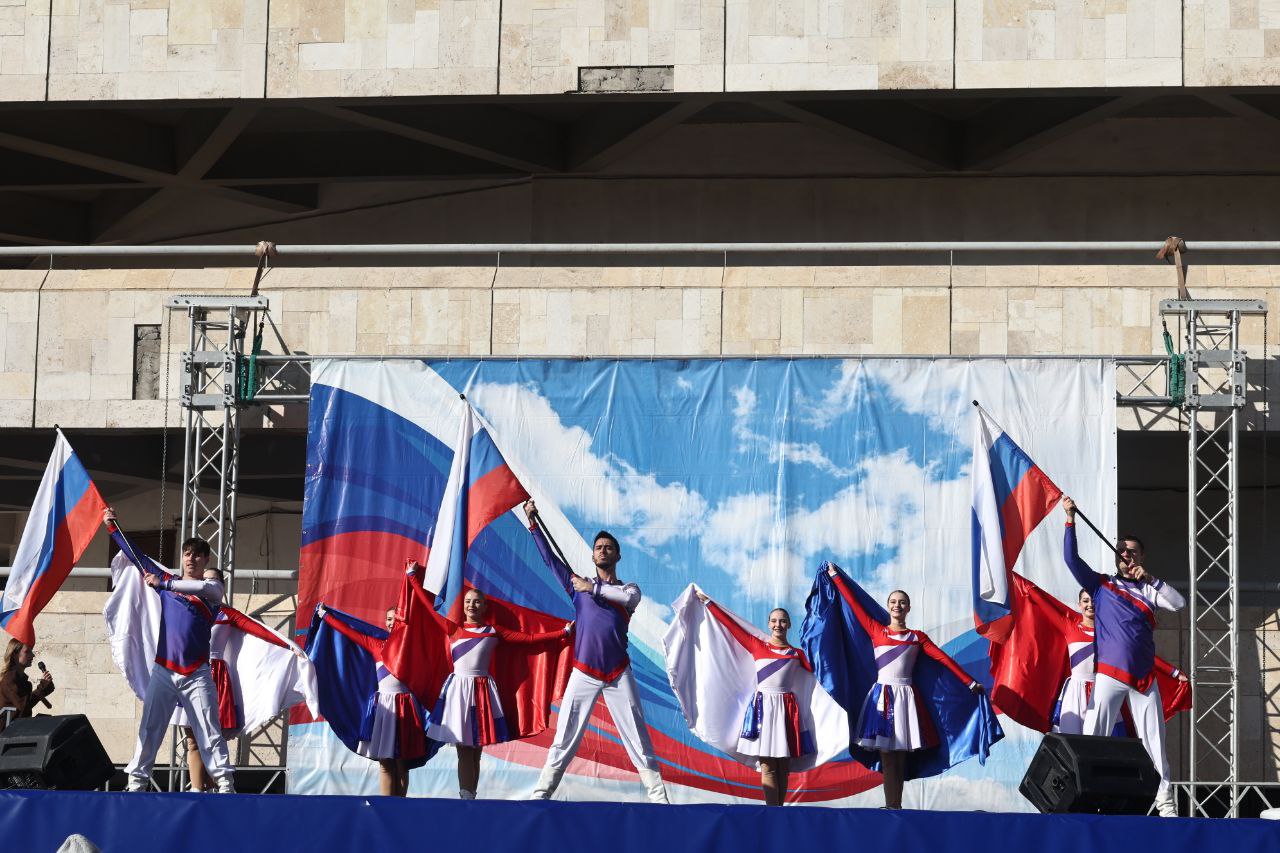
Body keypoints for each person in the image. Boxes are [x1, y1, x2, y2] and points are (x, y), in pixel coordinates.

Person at [522, 499, 669, 803]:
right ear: (592, 555)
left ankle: (659, 800)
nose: (603, 550)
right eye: (598, 547)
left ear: (617, 555)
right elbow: (551, 561)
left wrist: (593, 589)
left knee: (638, 738)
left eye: (608, 547)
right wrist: (534, 524)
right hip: (584, 671)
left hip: (618, 672)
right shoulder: (579, 585)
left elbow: (621, 597)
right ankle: (540, 795)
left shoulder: (629, 590)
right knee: (564, 736)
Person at [1061, 496, 1186, 817]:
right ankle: (1084, 800)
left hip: (1144, 680)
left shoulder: (1149, 590)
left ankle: (1166, 804)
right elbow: (1071, 559)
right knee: (1093, 740)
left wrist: (1150, 578)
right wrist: (1070, 519)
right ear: (1116, 556)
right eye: (1122, 550)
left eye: (1132, 550)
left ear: (1141, 556)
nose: (1126, 554)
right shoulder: (1101, 584)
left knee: (1155, 743)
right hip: (1109, 676)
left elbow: (1178, 603)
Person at [404, 565, 572, 799]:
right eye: (468, 601)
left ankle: (471, 794)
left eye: (477, 602)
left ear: (484, 607)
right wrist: (413, 580)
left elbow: (529, 639)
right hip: (458, 692)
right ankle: (465, 795)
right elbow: (428, 607)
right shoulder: (453, 628)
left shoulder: (494, 631)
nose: (472, 605)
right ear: (462, 606)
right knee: (464, 749)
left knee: (477, 750)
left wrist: (561, 633)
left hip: (482, 692)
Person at [826, 565, 984, 810]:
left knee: (899, 757)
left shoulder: (917, 637)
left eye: (902, 602)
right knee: (888, 757)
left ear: (908, 608)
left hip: (905, 700)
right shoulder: (876, 629)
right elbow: (854, 605)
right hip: (881, 699)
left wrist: (970, 682)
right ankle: (892, 806)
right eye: (893, 602)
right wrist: (836, 577)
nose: (897, 605)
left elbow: (944, 659)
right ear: (888, 606)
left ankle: (894, 806)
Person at [103, 508, 235, 794]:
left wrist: (164, 583)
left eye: (198, 554)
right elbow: (136, 554)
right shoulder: (167, 580)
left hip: (197, 674)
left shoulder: (210, 588)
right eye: (188, 553)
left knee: (209, 731)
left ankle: (225, 784)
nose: (192, 558)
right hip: (164, 669)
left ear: (206, 560)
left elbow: (207, 590)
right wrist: (114, 527)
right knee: (150, 728)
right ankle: (136, 782)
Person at [694, 591, 813, 805]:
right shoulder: (757, 645)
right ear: (768, 624)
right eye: (774, 621)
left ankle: (780, 809)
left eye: (783, 621)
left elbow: (821, 672)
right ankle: (772, 811)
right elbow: (732, 627)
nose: (778, 625)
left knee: (783, 766)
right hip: (763, 710)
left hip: (786, 710)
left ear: (789, 625)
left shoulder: (797, 654)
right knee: (767, 764)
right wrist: (710, 604)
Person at [181, 606, 305, 792]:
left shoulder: (225, 612)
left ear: (220, 587)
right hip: (188, 673)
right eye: (204, 581)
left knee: (214, 738)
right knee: (192, 740)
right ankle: (197, 791)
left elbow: (258, 630)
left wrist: (287, 645)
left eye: (213, 580)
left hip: (213, 675)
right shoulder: (188, 607)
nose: (207, 585)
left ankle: (217, 788)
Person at [315, 603, 429, 797]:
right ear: (385, 623)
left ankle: (401, 806)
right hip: (384, 708)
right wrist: (326, 616)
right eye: (389, 619)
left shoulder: (413, 647)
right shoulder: (376, 644)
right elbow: (348, 631)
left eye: (397, 619)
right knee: (385, 763)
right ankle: (386, 806)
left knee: (403, 763)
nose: (393, 623)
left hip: (405, 708)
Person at [1051, 589, 1097, 735]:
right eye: (1085, 601)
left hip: (1102, 691)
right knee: (1071, 740)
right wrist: (1026, 587)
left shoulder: (1110, 633)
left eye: (1094, 600)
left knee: (1103, 741)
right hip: (1074, 692)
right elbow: (1044, 604)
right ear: (1079, 605)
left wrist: (1170, 670)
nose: (1090, 604)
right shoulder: (1070, 627)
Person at [0, 637, 54, 733]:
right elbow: (23, 705)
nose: (32, 655)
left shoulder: (22, 680)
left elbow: (25, 708)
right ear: (15, 655)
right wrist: (42, 689)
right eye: (27, 652)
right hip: (6, 735)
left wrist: (45, 689)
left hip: (17, 731)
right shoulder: (10, 678)